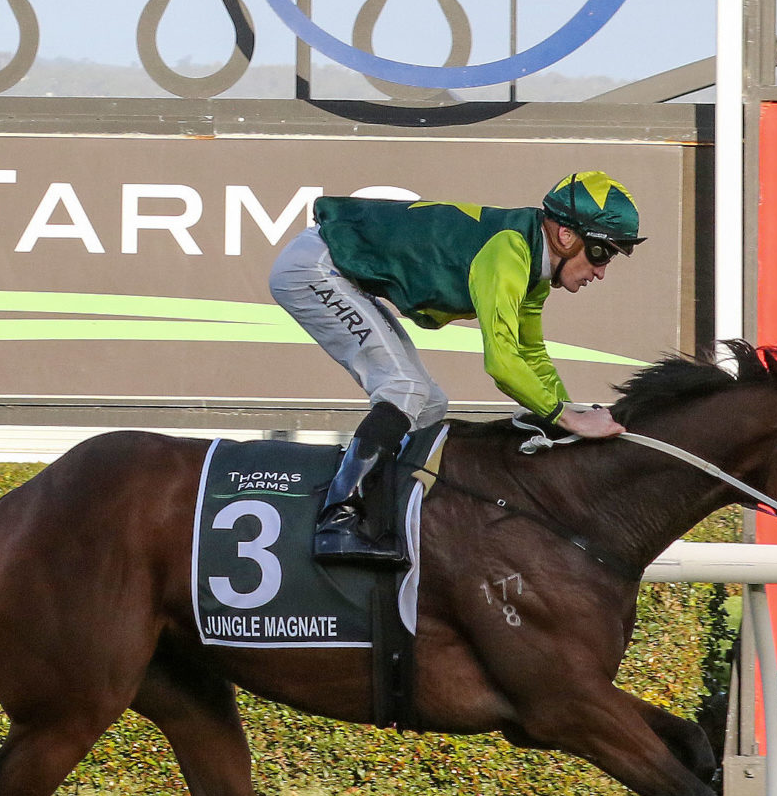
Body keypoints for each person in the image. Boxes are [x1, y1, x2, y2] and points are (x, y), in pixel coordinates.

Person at [267, 171, 644, 567]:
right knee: (404, 388)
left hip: (335, 269)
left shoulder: (533, 266)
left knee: (430, 404)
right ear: (566, 236)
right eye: (601, 253)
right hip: (313, 269)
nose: (601, 271)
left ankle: (385, 519)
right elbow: (502, 364)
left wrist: (568, 417)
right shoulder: (509, 253)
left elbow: (530, 353)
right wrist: (568, 419)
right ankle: (338, 521)